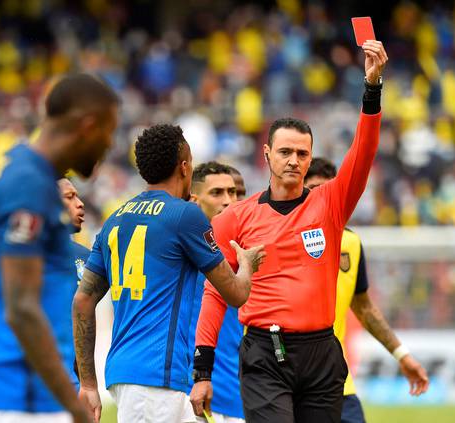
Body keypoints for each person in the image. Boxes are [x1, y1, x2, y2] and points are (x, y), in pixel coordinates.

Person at [191, 40, 388, 423]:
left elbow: (363, 153)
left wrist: (372, 88)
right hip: (265, 352)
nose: (294, 161)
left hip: (321, 353)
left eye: (302, 154)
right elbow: (214, 294)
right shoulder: (235, 218)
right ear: (266, 154)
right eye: (285, 152)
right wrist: (202, 371)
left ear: (310, 157)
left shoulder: (329, 203)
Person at [72, 124, 266, 423]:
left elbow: (83, 301)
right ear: (185, 166)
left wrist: (87, 383)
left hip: (129, 372)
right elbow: (236, 293)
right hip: (156, 376)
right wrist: (248, 264)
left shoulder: (116, 218)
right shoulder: (185, 215)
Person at [0, 73, 119, 423]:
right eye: (108, 132)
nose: (109, 145)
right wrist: (71, 404)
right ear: (87, 125)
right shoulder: (28, 183)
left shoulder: (11, 167)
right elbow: (21, 307)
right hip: (23, 394)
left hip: (14, 391)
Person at [304, 157, 429, 423]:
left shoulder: (351, 243)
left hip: (339, 382)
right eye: (313, 190)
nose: (322, 198)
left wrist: (401, 355)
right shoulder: (280, 238)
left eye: (329, 190)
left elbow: (363, 307)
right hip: (292, 383)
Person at [0, 178, 90, 347]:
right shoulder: (5, 254)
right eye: (70, 197)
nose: (80, 203)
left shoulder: (85, 257)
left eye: (77, 196)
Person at [188, 162, 246, 423]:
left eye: (233, 193)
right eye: (217, 193)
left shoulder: (247, 251)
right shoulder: (179, 247)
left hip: (236, 388)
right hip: (190, 386)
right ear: (195, 200)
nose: (229, 201)